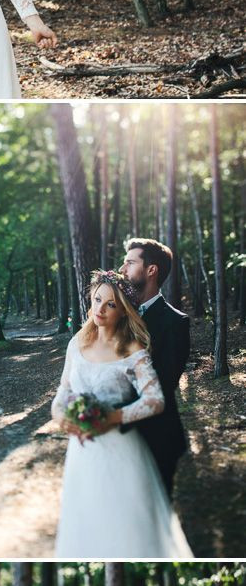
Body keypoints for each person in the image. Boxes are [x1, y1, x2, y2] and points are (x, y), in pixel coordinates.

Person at [51, 272, 193, 558]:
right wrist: (59, 414)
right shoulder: (76, 344)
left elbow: (155, 401)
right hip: (81, 452)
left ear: (123, 311)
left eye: (111, 304)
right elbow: (64, 389)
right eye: (97, 300)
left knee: (124, 524)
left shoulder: (133, 349)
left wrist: (110, 418)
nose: (100, 309)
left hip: (120, 448)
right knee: (86, 519)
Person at [121, 238, 190, 497]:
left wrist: (108, 414)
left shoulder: (175, 322)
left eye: (130, 262)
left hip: (156, 439)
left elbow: (162, 385)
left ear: (151, 270)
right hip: (116, 441)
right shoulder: (116, 316)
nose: (122, 269)